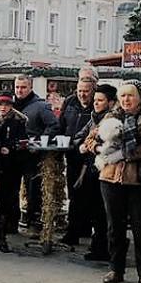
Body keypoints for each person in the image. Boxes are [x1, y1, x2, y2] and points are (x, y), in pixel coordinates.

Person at [89, 83, 141, 283]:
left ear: (139, 97)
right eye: (122, 96)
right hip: (111, 178)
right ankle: (115, 269)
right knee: (114, 226)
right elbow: (89, 140)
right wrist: (99, 148)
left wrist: (125, 154)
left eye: (130, 95)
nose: (126, 99)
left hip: (139, 180)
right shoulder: (109, 118)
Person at [74, 84, 117, 261]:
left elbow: (111, 146)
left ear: (111, 102)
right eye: (95, 100)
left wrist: (93, 146)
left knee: (103, 211)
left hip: (107, 169)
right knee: (94, 209)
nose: (96, 103)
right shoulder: (94, 118)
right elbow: (79, 136)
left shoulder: (113, 120)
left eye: (100, 100)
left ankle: (104, 248)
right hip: (92, 168)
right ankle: (98, 245)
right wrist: (82, 145)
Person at [13, 74, 61, 230]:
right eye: (17, 87)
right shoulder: (11, 103)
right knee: (12, 188)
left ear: (30, 87)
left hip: (31, 154)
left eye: (23, 87)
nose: (19, 90)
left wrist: (39, 142)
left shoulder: (40, 105)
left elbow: (53, 125)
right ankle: (13, 219)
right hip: (13, 152)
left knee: (33, 188)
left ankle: (35, 220)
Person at [59, 78, 96, 245]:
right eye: (80, 90)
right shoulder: (70, 102)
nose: (82, 94)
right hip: (72, 154)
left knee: (88, 195)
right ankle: (74, 231)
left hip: (90, 157)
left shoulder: (96, 107)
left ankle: (82, 230)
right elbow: (61, 124)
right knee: (74, 193)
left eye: (86, 91)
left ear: (93, 90)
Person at [0, 92, 28, 252]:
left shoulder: (19, 120)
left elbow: (24, 143)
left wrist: (11, 147)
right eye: (0, 104)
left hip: (11, 167)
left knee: (6, 201)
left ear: (11, 105)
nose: (3, 107)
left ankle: (2, 234)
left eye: (6, 104)